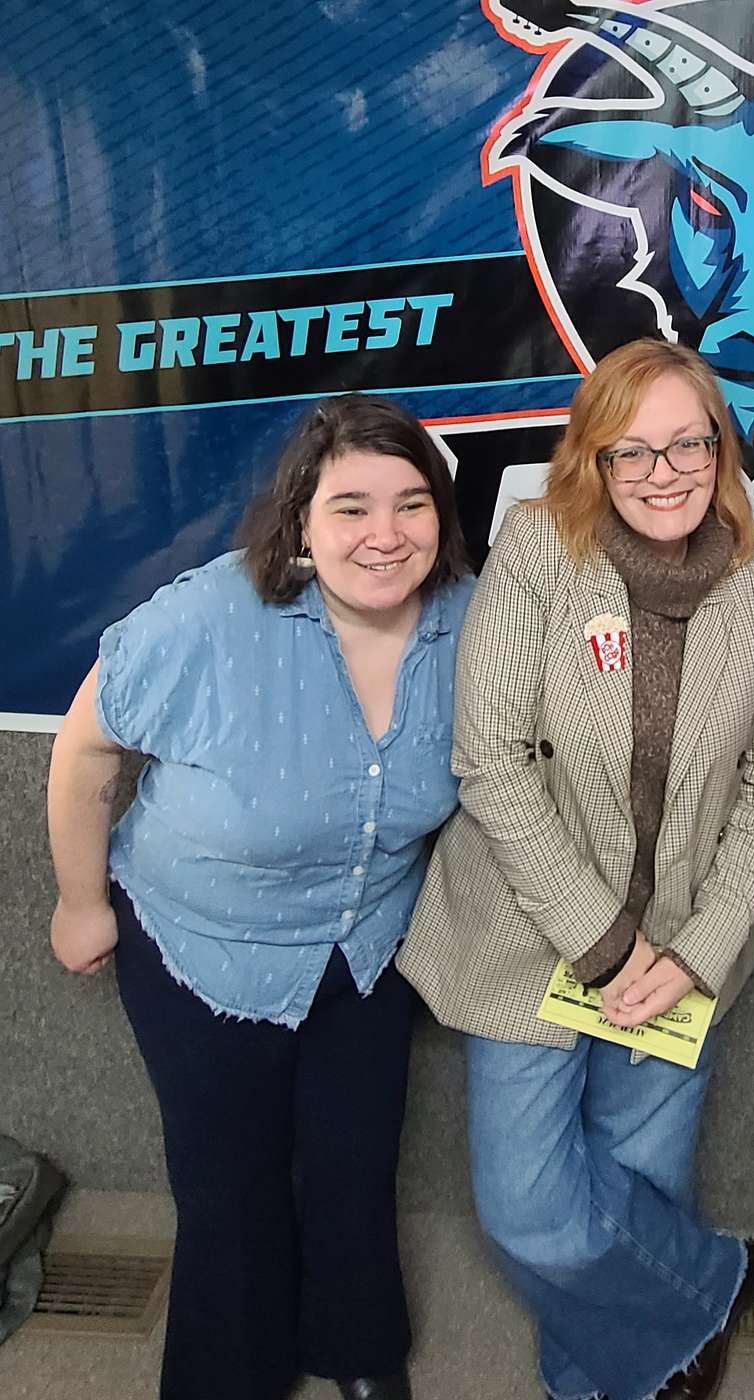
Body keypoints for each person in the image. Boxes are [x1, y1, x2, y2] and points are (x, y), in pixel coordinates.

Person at [46, 393, 475, 1400]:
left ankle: (359, 1351)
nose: (385, 535)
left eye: (411, 505)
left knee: (352, 1169)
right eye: (351, 508)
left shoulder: (469, 619)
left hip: (364, 946)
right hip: (203, 947)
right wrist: (79, 902)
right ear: (299, 521)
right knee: (230, 1190)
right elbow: (83, 750)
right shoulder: (208, 616)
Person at [396, 338, 754, 1400]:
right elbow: (486, 758)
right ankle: (712, 1282)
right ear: (593, 461)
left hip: (679, 948)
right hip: (535, 933)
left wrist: (695, 948)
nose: (663, 472)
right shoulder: (539, 550)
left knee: (640, 1184)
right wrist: (604, 939)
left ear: (721, 447)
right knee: (529, 1204)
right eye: (632, 452)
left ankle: (596, 1383)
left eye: (687, 444)